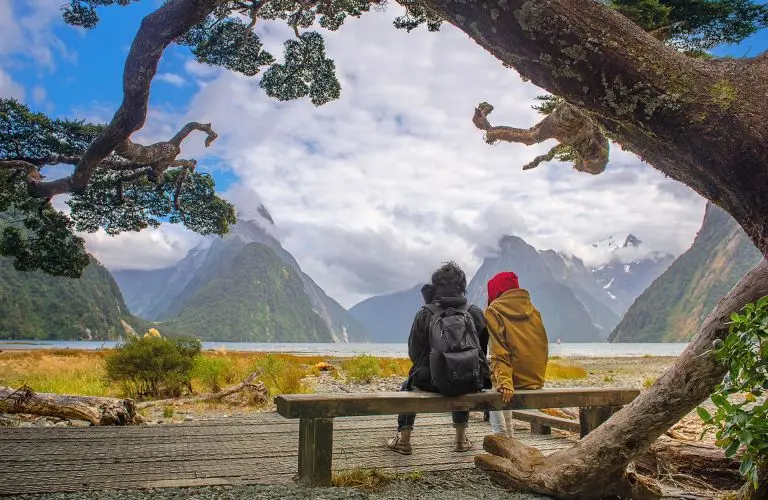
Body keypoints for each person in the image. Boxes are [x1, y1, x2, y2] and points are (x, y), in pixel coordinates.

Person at [387, 261, 490, 455]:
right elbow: (481, 351)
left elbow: (414, 352)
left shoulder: (425, 312)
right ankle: (460, 440)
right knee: (463, 375)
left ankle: (404, 440)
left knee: (408, 385)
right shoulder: (474, 312)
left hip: (429, 381)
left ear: (435, 285)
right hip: (467, 380)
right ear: (462, 286)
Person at [485, 271, 549, 436]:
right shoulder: (534, 310)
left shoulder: (493, 311)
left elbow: (499, 351)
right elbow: (543, 345)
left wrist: (505, 382)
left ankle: (500, 435)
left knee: (493, 386)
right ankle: (510, 435)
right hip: (535, 379)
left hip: (514, 382)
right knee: (500, 380)